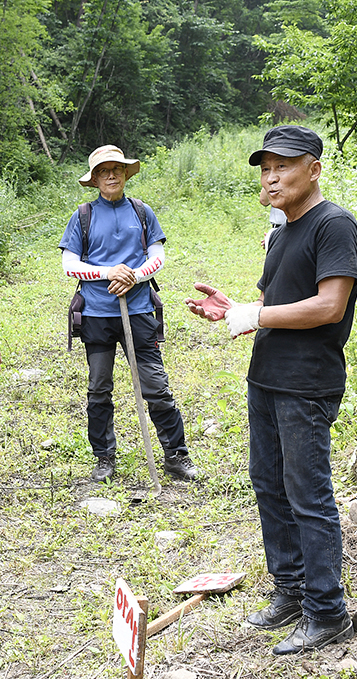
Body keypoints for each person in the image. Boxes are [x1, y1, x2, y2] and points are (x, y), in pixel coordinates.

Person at [185, 125, 357, 655]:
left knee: (308, 497)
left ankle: (327, 611)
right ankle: (290, 589)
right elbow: (272, 304)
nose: (272, 176)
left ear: (314, 168)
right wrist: (232, 309)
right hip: (266, 378)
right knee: (269, 487)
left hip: (307, 385)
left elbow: (329, 306)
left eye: (283, 165)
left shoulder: (333, 225)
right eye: (265, 168)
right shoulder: (283, 230)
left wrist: (254, 313)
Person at [59, 145, 200, 484]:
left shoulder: (141, 211)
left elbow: (158, 256)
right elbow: (70, 265)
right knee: (98, 387)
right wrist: (110, 273)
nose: (111, 174)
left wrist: (134, 276)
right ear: (94, 179)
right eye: (104, 170)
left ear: (125, 173)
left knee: (156, 386)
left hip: (138, 311)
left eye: (117, 169)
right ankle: (104, 458)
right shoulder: (83, 216)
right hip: (96, 314)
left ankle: (176, 456)